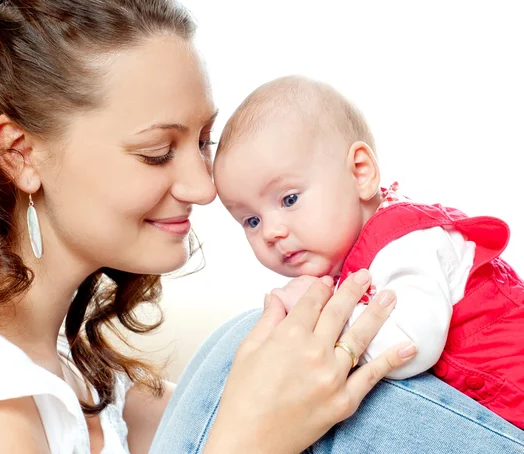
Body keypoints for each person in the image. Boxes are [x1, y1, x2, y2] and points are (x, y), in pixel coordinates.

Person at [0, 1, 522, 453]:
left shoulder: (78, 373)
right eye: (158, 152)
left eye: (204, 142)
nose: (205, 187)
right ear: (22, 153)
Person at [213, 75, 524, 429]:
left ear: (360, 173)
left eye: (289, 199)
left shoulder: (405, 244)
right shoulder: (360, 256)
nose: (271, 232)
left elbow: (410, 349)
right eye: (251, 220)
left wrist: (325, 318)